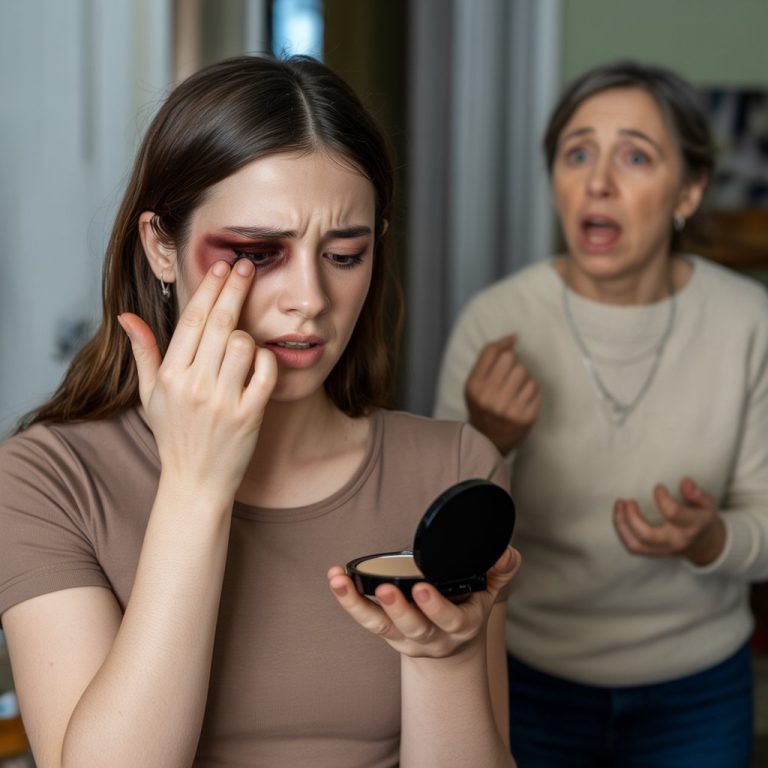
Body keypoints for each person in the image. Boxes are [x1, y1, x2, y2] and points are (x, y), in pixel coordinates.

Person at [0, 55, 520, 768]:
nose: (308, 297)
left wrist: (444, 656)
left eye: (343, 255)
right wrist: (195, 484)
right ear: (160, 246)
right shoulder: (45, 480)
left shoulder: (454, 467)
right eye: (256, 254)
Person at [435, 59, 768, 767]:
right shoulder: (495, 321)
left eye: (636, 157)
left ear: (690, 191)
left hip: (698, 689)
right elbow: (445, 549)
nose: (599, 181)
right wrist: (489, 441)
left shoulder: (749, 322)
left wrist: (709, 538)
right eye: (577, 152)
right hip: (528, 678)